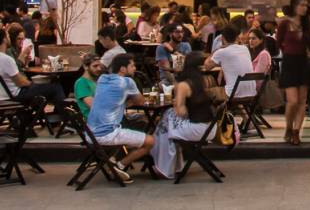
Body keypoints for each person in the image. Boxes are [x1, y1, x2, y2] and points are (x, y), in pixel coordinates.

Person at [87, 53, 153, 184]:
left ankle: (111, 160)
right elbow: (140, 101)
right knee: (150, 141)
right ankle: (120, 166)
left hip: (90, 133)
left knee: (130, 125)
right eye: (132, 65)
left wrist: (124, 102)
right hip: (108, 133)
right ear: (123, 69)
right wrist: (131, 100)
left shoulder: (102, 79)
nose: (134, 68)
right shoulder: (127, 82)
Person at [152, 51, 219, 179]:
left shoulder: (183, 85)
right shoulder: (204, 81)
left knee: (166, 122)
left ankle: (165, 166)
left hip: (198, 129)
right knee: (168, 121)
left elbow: (180, 111)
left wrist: (176, 101)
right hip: (210, 127)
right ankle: (173, 165)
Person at [0, 28, 66, 106]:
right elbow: (20, 82)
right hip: (17, 95)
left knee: (44, 87)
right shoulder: (6, 59)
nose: (9, 38)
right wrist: (33, 84)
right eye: (8, 36)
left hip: (1, 95)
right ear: (4, 39)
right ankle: (65, 116)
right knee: (56, 87)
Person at [277, 0, 310, 145]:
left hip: (303, 62)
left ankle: (296, 132)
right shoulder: (285, 23)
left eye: (306, 5)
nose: (304, 8)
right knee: (292, 101)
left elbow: (309, 44)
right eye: (301, 5)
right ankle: (288, 127)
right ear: (294, 6)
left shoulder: (306, 24)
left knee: (302, 101)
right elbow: (279, 42)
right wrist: (288, 51)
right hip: (289, 62)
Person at [206, 24, 255, 99]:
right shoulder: (245, 49)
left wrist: (217, 50)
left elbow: (207, 66)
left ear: (222, 37)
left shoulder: (221, 52)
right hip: (252, 94)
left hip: (232, 94)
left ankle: (219, 110)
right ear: (237, 37)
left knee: (205, 92)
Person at [73, 53, 104, 118]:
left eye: (100, 66)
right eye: (95, 66)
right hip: (95, 121)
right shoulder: (81, 83)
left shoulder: (98, 80)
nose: (99, 69)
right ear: (85, 66)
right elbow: (95, 106)